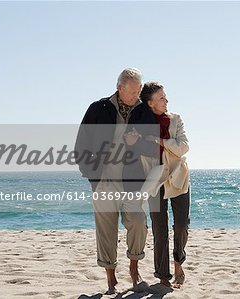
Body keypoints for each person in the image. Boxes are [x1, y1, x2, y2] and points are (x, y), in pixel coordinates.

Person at [75, 67, 148, 295]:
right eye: (134, 92)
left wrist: (138, 143)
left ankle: (134, 269)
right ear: (120, 88)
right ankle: (111, 279)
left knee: (137, 221)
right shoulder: (98, 109)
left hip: (132, 181)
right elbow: (81, 145)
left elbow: (153, 145)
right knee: (106, 230)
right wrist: (94, 177)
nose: (137, 96)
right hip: (104, 180)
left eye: (140, 91)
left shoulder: (143, 112)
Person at [125, 81, 190, 288]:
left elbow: (184, 147)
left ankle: (178, 261)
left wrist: (161, 141)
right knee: (159, 229)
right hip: (155, 181)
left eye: (166, 96)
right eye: (161, 98)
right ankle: (163, 276)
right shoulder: (141, 125)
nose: (166, 101)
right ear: (150, 103)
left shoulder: (176, 119)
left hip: (178, 178)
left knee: (181, 225)